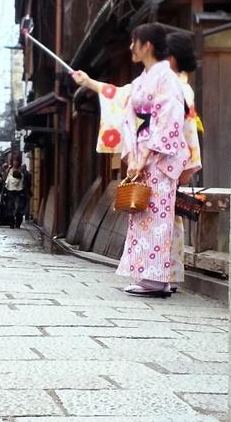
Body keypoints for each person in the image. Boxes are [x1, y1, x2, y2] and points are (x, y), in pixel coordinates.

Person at [72, 22, 190, 298]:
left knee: (158, 218)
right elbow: (125, 111)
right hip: (143, 158)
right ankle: (149, 276)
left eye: (134, 42)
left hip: (159, 159)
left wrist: (145, 155)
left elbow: (168, 119)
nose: (130, 47)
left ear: (147, 45)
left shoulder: (167, 78)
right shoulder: (141, 81)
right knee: (142, 215)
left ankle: (157, 280)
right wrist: (133, 157)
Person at [166, 31, 204, 294]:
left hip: (170, 159)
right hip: (175, 157)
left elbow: (186, 129)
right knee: (169, 219)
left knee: (166, 219)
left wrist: (185, 164)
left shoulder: (179, 88)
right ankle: (167, 274)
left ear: (171, 58)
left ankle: (164, 274)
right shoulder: (179, 86)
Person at [4, 157, 26, 229]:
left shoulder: (21, 170)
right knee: (10, 207)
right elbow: (5, 180)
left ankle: (18, 222)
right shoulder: (9, 170)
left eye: (16, 161)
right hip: (10, 191)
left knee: (18, 207)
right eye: (14, 161)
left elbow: (23, 180)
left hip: (19, 191)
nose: (15, 162)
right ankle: (11, 223)